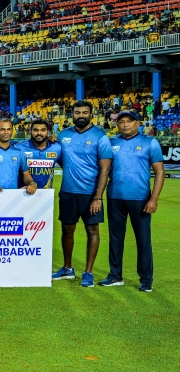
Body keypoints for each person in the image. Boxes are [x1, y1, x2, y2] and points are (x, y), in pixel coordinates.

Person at [52, 101, 112, 287]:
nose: (81, 115)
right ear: (72, 114)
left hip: (90, 194)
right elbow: (61, 160)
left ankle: (88, 272)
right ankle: (68, 268)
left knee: (92, 230)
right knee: (66, 229)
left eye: (85, 112)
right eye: (77, 112)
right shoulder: (64, 135)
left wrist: (97, 196)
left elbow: (105, 169)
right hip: (68, 191)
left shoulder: (100, 137)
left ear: (91, 114)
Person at [103, 109, 164, 291]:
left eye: (130, 121)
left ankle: (146, 279)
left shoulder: (149, 142)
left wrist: (153, 199)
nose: (125, 124)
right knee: (115, 238)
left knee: (143, 239)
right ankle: (115, 276)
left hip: (141, 199)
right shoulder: (111, 143)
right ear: (117, 124)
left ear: (138, 123)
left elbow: (160, 172)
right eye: (121, 122)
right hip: (115, 197)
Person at [0, 119, 37, 194]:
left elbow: (25, 173)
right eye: (2, 129)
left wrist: (32, 183)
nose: (6, 132)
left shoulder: (19, 152)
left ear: (12, 131)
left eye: (9, 129)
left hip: (12, 196)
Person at [16, 119, 61, 190]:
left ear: (48, 132)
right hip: (23, 193)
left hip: (46, 195)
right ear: (30, 131)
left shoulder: (57, 148)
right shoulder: (19, 147)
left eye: (43, 130)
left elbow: (66, 166)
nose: (39, 133)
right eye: (35, 130)